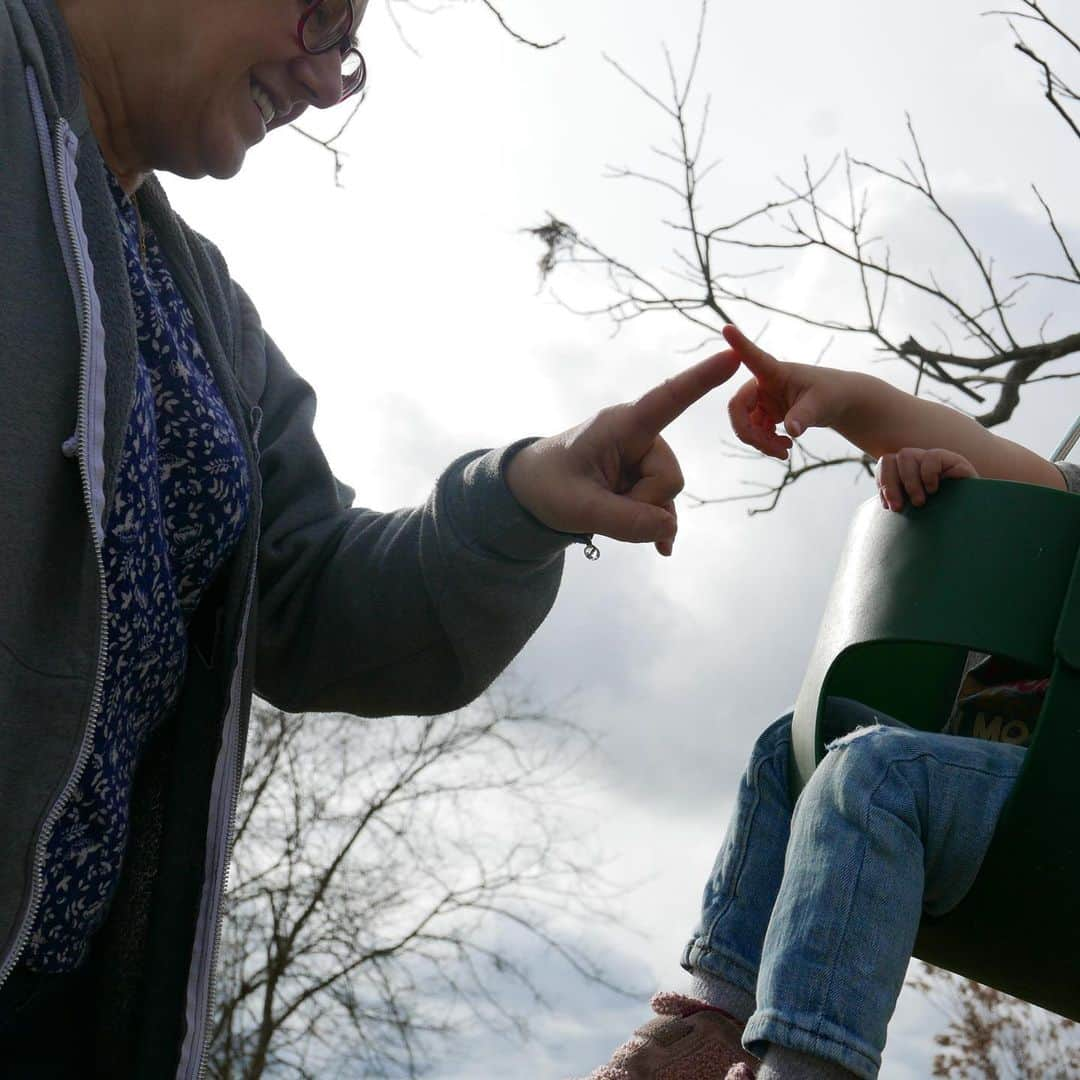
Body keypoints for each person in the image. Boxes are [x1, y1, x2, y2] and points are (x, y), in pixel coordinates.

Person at [0, 0, 742, 1074]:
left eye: (349, 47)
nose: (330, 81)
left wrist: (520, 499)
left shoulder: (211, 319)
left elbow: (311, 601)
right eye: (319, 15)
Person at [582, 324, 1080, 1080]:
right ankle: (714, 1024)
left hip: (1060, 818)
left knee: (874, 774)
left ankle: (805, 1067)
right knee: (800, 748)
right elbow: (1009, 471)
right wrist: (852, 404)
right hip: (1004, 815)